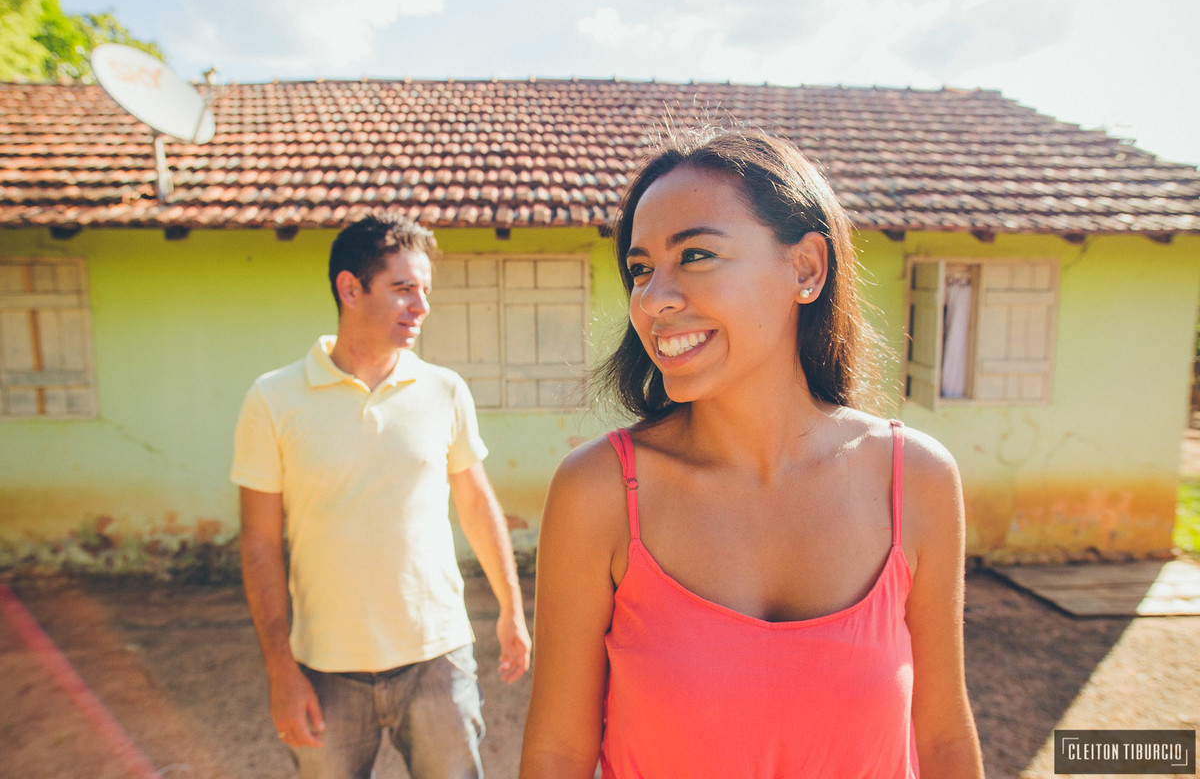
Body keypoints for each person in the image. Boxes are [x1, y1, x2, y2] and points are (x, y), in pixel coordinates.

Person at [519, 128, 984, 778]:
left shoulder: (915, 480)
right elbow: (557, 755)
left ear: (807, 269)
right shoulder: (599, 492)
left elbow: (941, 742)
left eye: (698, 256)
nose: (654, 300)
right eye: (640, 270)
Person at [232, 213, 530, 779]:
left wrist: (512, 610)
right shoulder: (273, 399)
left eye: (424, 291)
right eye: (402, 289)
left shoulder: (444, 390)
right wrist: (280, 671)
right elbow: (259, 541)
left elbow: (475, 502)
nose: (421, 306)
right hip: (324, 668)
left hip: (437, 660)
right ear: (350, 288)